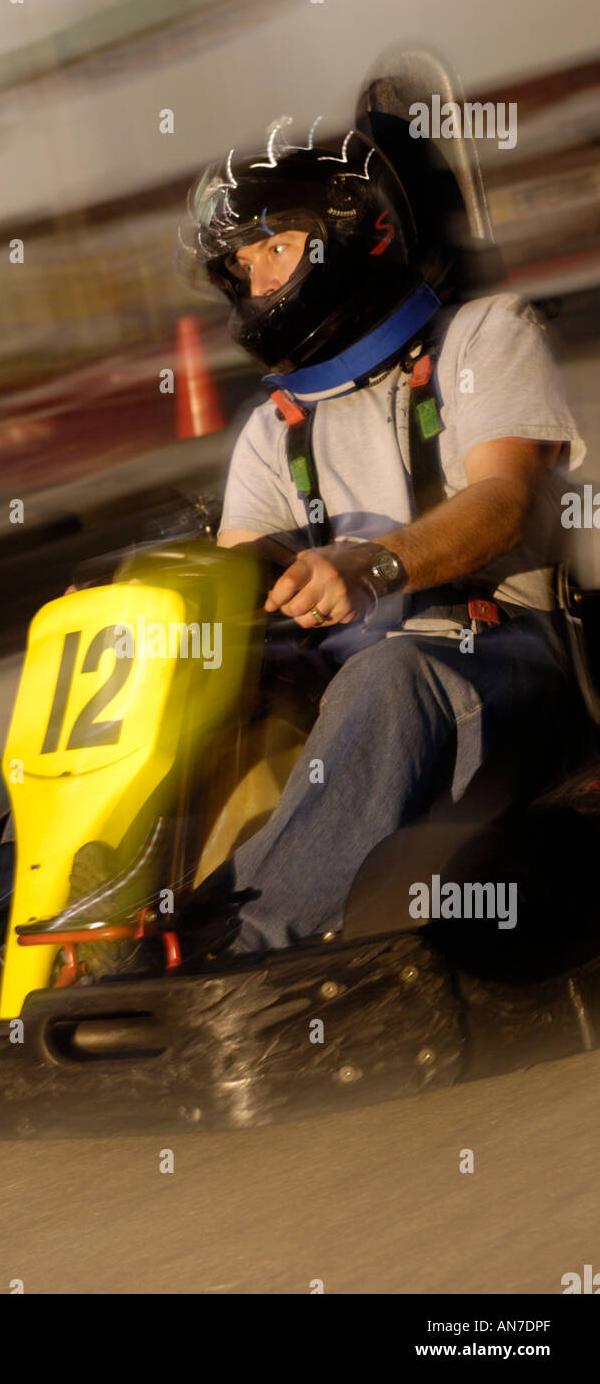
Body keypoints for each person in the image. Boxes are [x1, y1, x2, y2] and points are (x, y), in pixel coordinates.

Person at [175, 119, 587, 954]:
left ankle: (247, 942)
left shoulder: (484, 337)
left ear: (349, 234)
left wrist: (372, 564)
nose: (254, 281)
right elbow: (237, 580)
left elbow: (503, 500)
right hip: (339, 681)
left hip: (498, 659)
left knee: (386, 671)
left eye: (273, 249)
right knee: (168, 691)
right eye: (239, 266)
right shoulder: (273, 427)